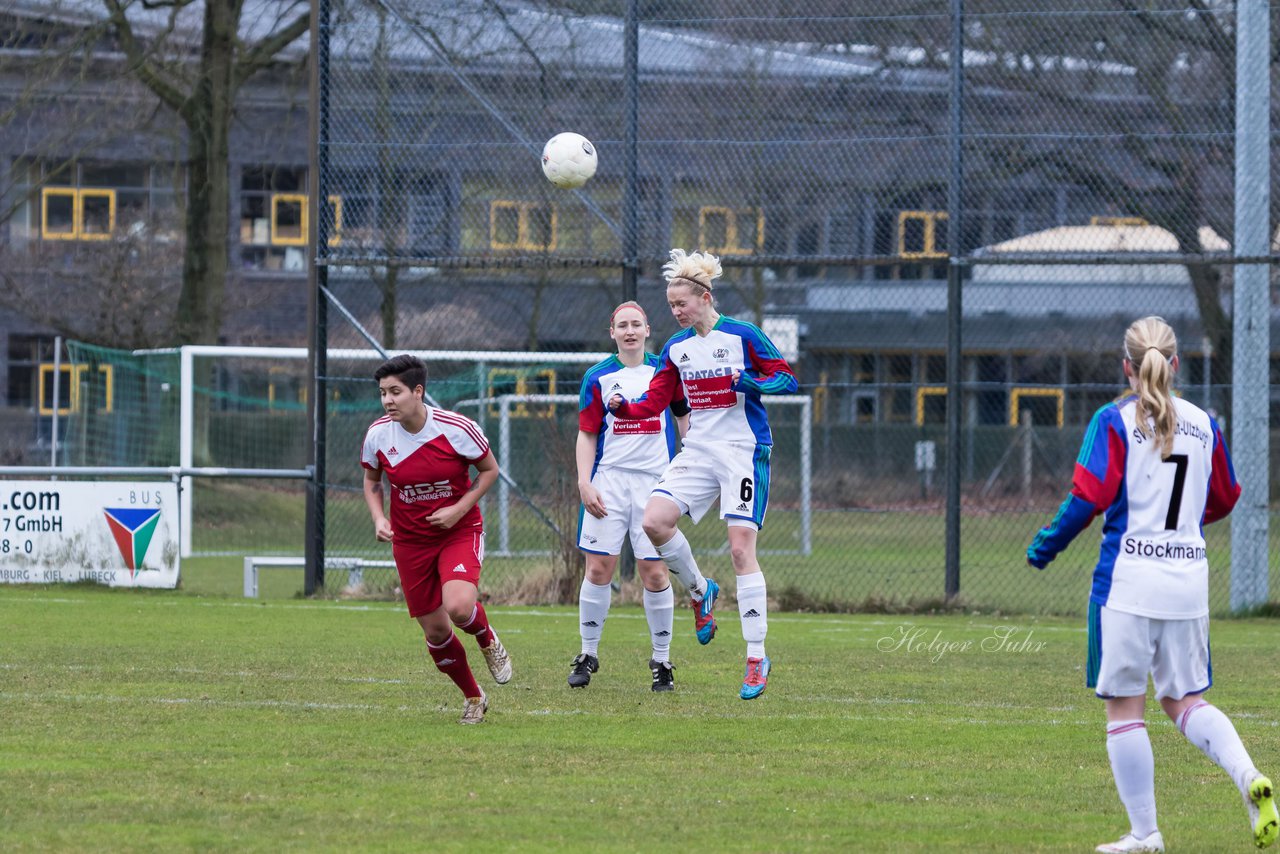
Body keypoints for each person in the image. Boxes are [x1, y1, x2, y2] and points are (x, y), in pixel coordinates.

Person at [1026, 316, 1277, 853]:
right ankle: (1249, 776)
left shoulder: (1113, 419)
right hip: (1187, 584)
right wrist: (1186, 522)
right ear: (1176, 364)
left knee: (1124, 708)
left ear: (1126, 366)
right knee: (1185, 700)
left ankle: (1146, 835)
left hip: (1126, 586)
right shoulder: (1203, 422)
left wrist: (1044, 545)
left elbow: (1086, 499)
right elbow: (1227, 496)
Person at [608, 249, 797, 700]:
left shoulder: (742, 334)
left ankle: (756, 656)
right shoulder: (675, 349)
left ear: (704, 297)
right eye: (671, 305)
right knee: (654, 521)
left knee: (739, 550)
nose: (675, 312)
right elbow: (657, 400)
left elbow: (785, 378)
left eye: (681, 304)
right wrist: (626, 408)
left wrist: (754, 383)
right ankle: (699, 590)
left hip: (743, 452)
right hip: (699, 450)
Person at [361, 354, 513, 725]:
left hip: (458, 531)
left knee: (459, 607)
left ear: (418, 391)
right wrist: (379, 518)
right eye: (382, 393)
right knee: (436, 629)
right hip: (410, 543)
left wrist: (459, 509)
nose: (388, 401)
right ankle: (474, 697)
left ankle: (486, 637)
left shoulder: (457, 428)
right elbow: (371, 481)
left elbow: (490, 471)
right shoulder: (378, 434)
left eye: (395, 392)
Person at [571, 301, 691, 692]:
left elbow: (682, 416)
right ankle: (588, 653)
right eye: (622, 325)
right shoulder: (598, 376)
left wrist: (690, 464)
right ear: (612, 332)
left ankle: (662, 661)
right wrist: (585, 483)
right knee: (598, 570)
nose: (629, 331)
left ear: (647, 329)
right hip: (609, 482)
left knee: (654, 573)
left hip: (656, 484)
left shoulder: (664, 371)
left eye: (636, 324)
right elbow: (587, 432)